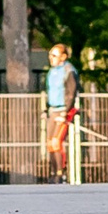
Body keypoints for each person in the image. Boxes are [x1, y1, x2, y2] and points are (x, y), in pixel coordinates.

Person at [44, 44, 80, 179]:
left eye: (54, 55)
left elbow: (71, 92)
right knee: (49, 143)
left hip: (63, 110)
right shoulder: (51, 72)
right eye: (50, 55)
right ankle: (53, 172)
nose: (51, 58)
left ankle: (60, 173)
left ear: (63, 57)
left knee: (56, 142)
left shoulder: (68, 70)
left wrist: (66, 112)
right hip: (53, 110)